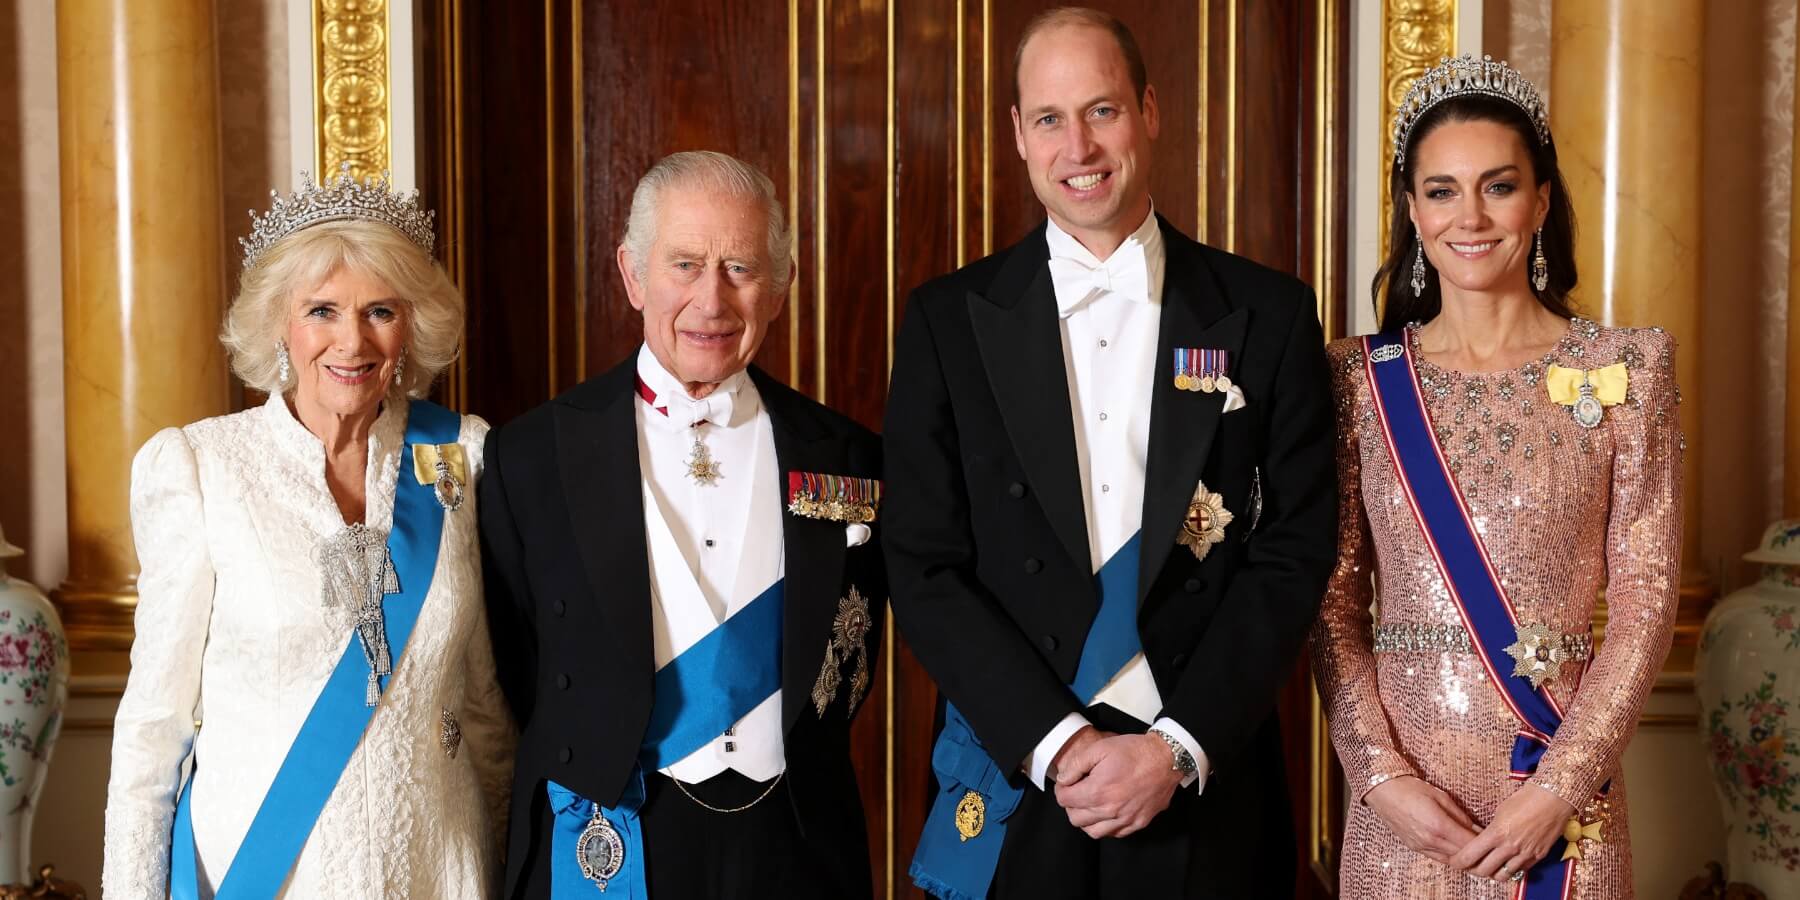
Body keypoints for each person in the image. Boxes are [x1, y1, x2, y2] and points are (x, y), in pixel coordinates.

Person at [884, 8, 1337, 898]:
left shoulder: (1269, 314)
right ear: (1017, 134)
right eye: (1049, 119)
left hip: (1206, 784)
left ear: (1151, 111)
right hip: (1021, 781)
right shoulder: (947, 322)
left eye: (1103, 110)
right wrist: (1060, 745)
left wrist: (1175, 748)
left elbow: (1293, 553)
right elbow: (923, 563)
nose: (1078, 146)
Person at [1311, 54, 1681, 897]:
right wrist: (1380, 776)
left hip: (1560, 796)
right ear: (1411, 210)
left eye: (1499, 186)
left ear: (1542, 199)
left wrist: (1560, 785)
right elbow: (1332, 606)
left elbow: (1647, 598)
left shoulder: (1630, 367)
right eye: (1441, 191)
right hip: (1406, 807)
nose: (1469, 217)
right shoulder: (1357, 381)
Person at [479, 150, 885, 899]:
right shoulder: (531, 455)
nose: (712, 301)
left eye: (740, 267)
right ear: (632, 275)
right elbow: (517, 667)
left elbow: (852, 661)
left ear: (783, 286)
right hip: (610, 839)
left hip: (795, 846)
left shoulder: (851, 455)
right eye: (686, 264)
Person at [103, 166, 513, 897]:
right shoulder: (202, 469)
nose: (351, 342)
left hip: (439, 867)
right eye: (322, 309)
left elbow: (485, 709)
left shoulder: (460, 457)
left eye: (380, 311)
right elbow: (153, 730)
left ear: (412, 323)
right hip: (268, 873)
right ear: (278, 324)